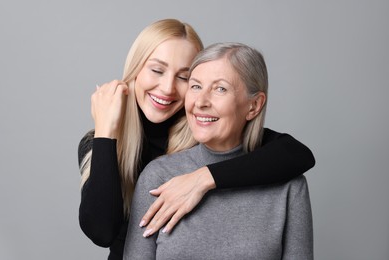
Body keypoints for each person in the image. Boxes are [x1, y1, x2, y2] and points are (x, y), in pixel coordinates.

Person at [78, 19, 315, 259]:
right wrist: (105, 132)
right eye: (157, 70)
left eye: (184, 77)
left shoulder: (207, 128)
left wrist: (203, 177)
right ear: (135, 70)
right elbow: (101, 231)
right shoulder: (110, 146)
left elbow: (296, 154)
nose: (168, 88)